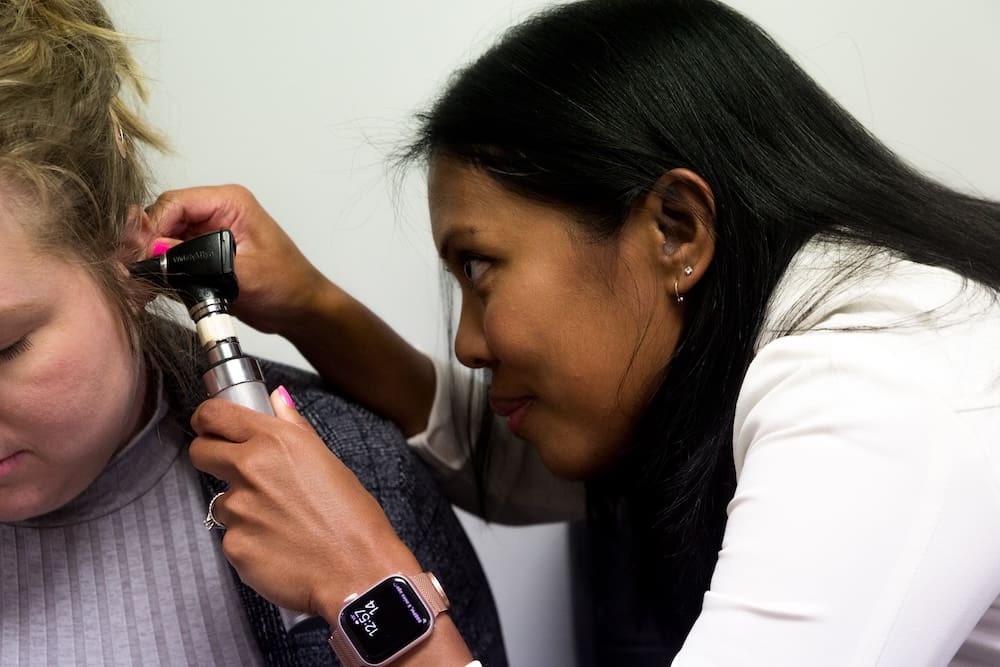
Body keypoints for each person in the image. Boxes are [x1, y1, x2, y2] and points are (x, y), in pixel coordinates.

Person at [146, 0, 1000, 665]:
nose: (468, 344)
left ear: (675, 229)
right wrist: (307, 304)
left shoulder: (878, 385)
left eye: (480, 267)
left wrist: (365, 587)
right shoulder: (752, 348)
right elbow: (496, 455)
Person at [0, 2, 508, 666]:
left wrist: (360, 582)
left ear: (126, 252)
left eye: (5, 347)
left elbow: (511, 469)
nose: (472, 344)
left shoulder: (357, 478)